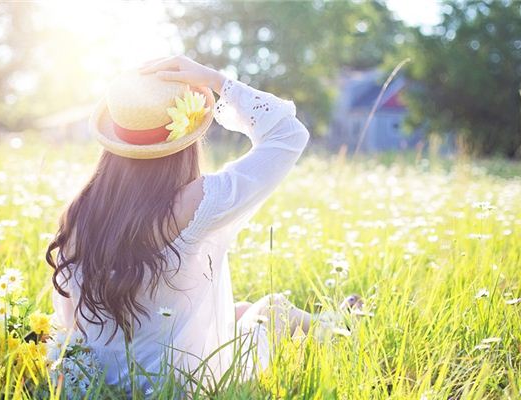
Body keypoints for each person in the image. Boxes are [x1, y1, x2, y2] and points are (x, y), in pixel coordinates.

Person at [46, 55, 319, 397]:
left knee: (240, 312)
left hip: (100, 382)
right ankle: (347, 331)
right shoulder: (198, 202)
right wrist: (219, 81)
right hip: (184, 387)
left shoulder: (80, 209)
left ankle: (343, 318)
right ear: (185, 138)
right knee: (271, 309)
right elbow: (288, 134)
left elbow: (69, 319)